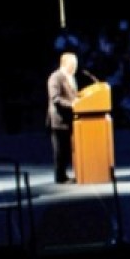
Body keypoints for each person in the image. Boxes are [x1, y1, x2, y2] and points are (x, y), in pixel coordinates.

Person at [47, 51, 79, 184]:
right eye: (73, 64)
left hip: (70, 118)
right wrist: (73, 104)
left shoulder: (71, 77)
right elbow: (55, 98)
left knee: (67, 149)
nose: (75, 67)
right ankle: (60, 176)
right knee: (60, 151)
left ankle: (66, 174)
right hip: (59, 120)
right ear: (66, 64)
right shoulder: (55, 77)